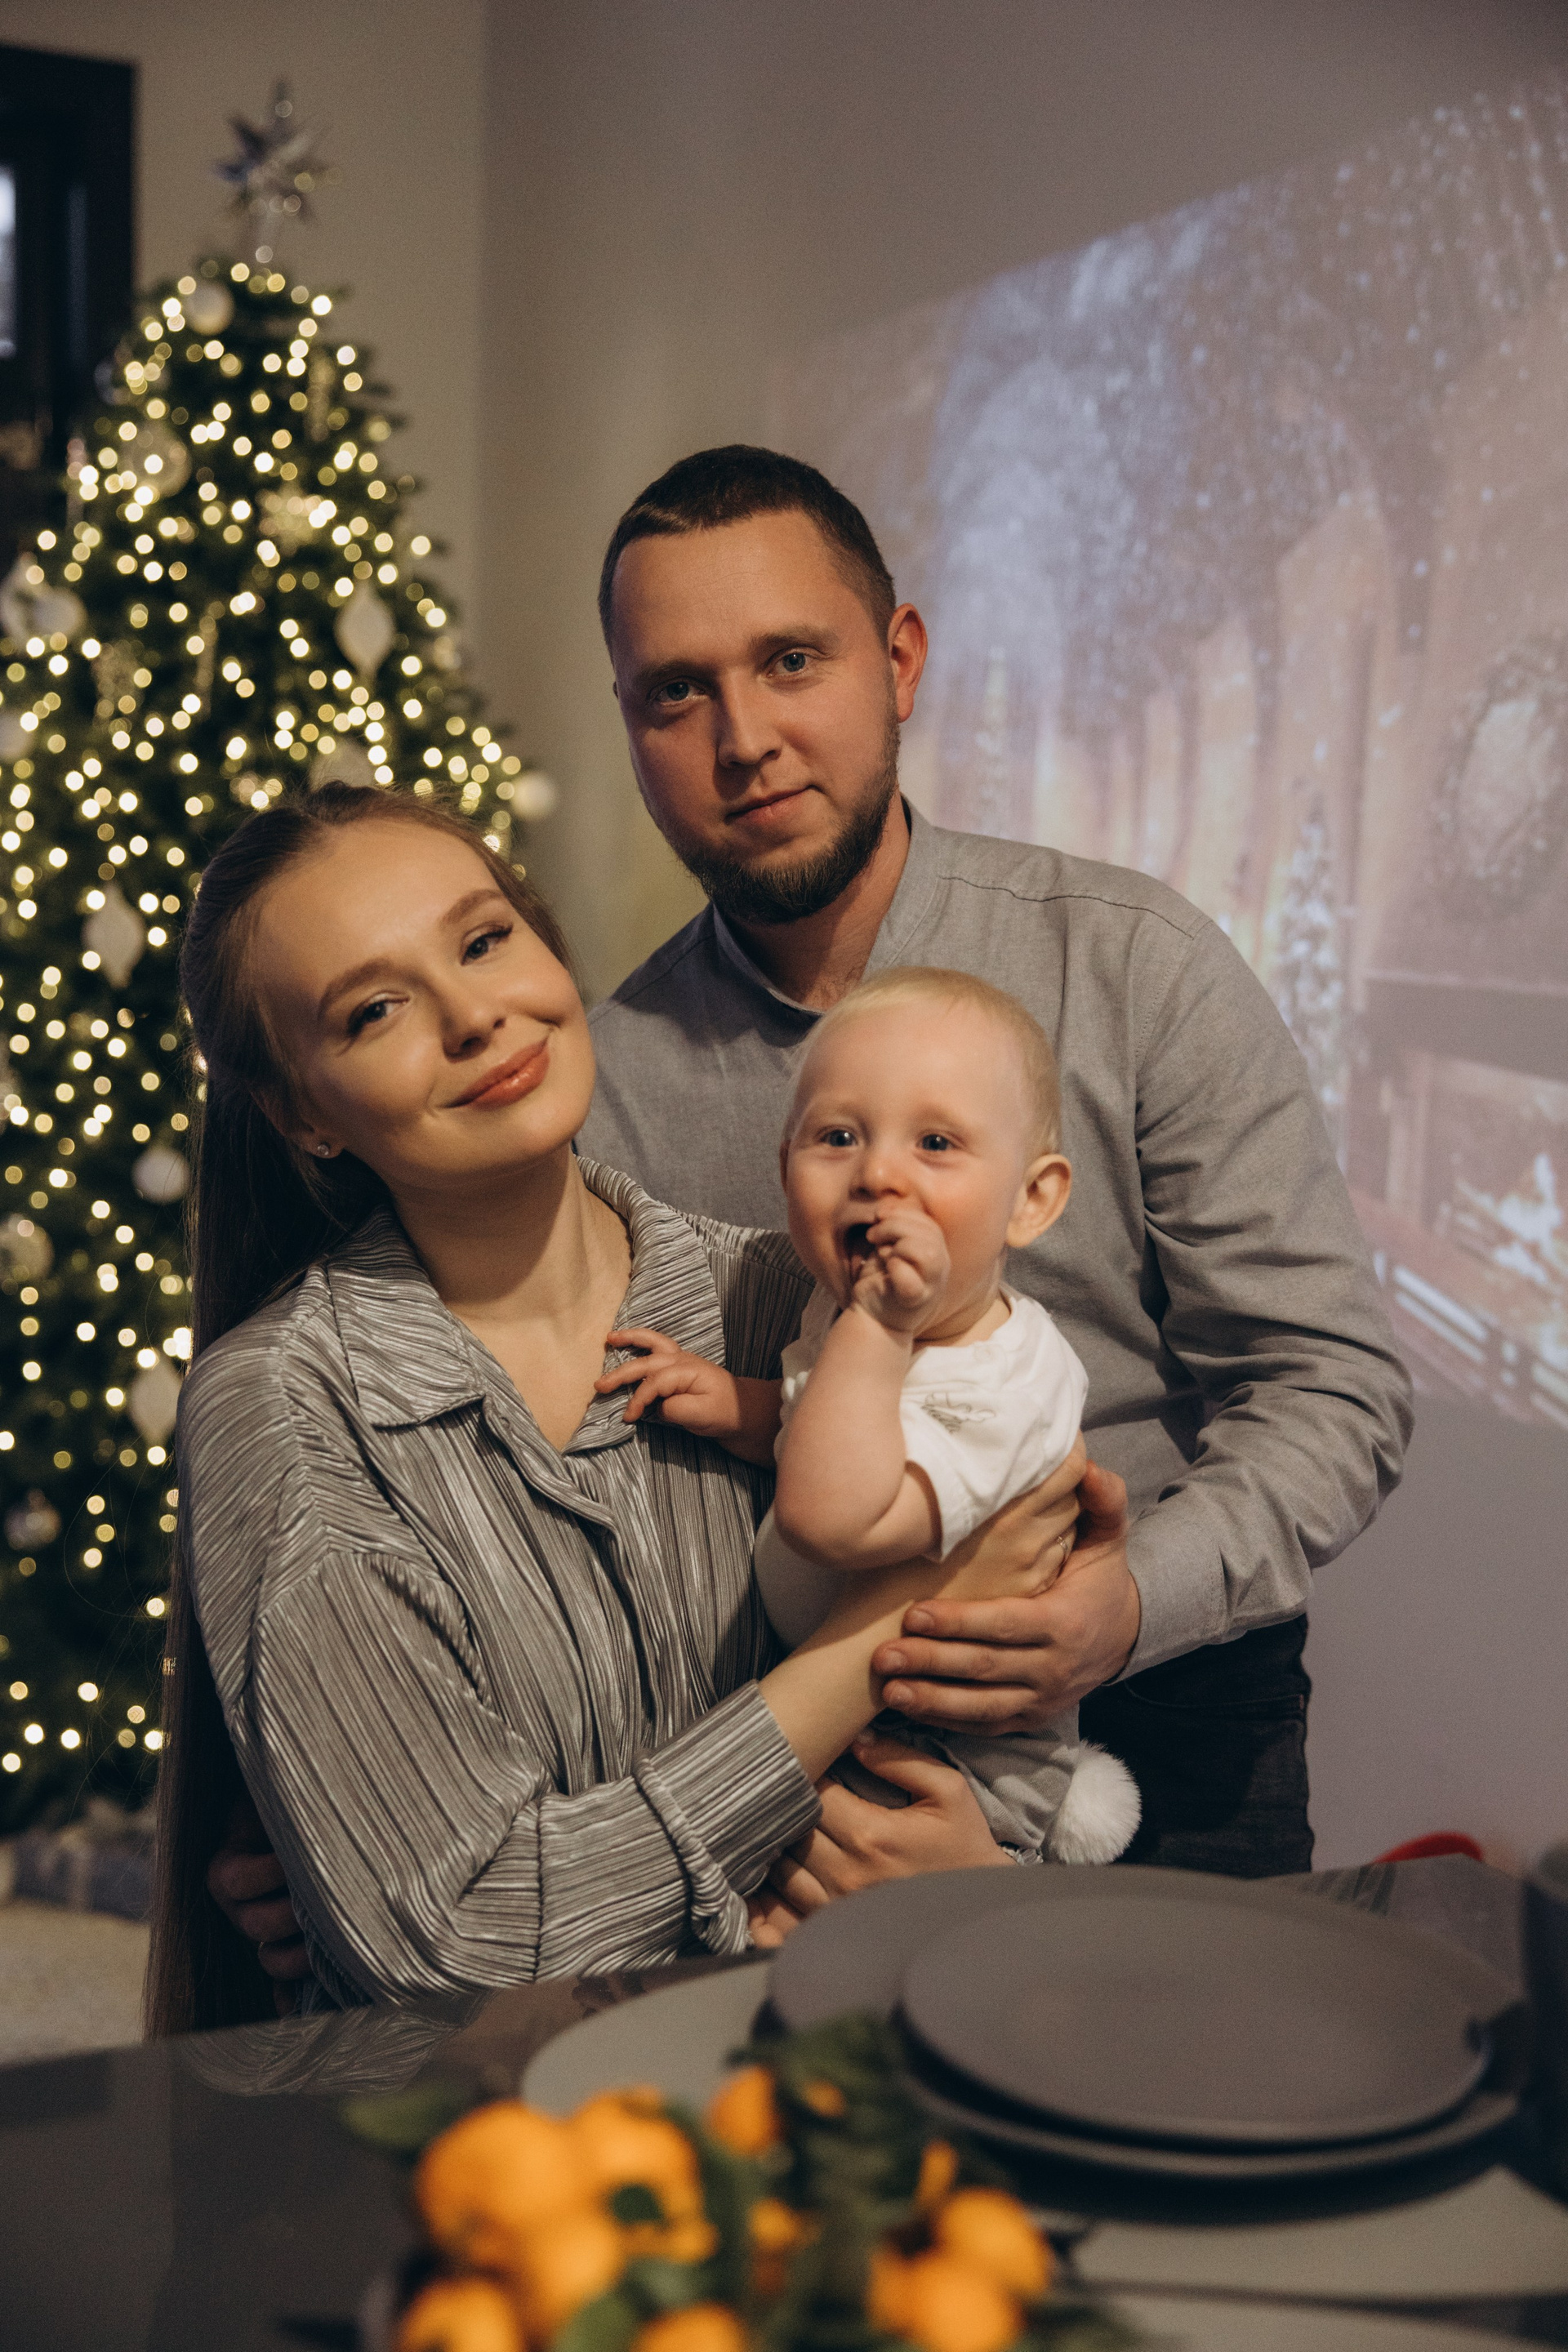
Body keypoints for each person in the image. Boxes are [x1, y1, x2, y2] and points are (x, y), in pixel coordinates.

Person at [577, 443, 1413, 1914]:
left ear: (899, 661)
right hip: (788, 1745)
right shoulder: (610, 1080)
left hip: (1161, 1715)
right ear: (633, 728)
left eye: (790, 661)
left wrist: (1124, 1606)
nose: (745, 738)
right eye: (678, 692)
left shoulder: (1133, 964)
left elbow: (1330, 1385)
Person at [151, 783, 1092, 2029]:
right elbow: (462, 1948)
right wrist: (883, 1635)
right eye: (376, 1010)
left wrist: (975, 1870)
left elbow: (1030, 1603)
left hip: (833, 2072)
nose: (475, 1015)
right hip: (510, 2126)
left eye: (484, 940)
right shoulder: (285, 1408)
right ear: (303, 1113)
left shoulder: (792, 1302)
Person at [597, 964, 1141, 1866]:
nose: (879, 1173)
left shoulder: (1004, 1382)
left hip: (955, 1761)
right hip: (848, 1711)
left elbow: (830, 1515)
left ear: (1031, 1200)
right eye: (839, 1137)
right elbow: (825, 1428)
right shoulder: (853, 1314)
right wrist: (738, 1404)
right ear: (785, 1171)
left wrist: (878, 1332)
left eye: (936, 1143)